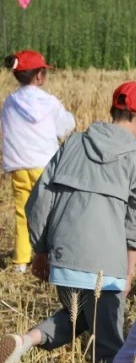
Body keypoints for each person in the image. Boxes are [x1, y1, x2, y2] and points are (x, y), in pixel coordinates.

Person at [0, 82, 136, 363]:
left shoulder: (72, 144)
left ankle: (25, 341)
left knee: (80, 317)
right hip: (106, 267)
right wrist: (127, 275)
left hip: (64, 258)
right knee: (109, 346)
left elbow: (39, 200)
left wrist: (42, 250)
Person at [2, 50, 75, 273]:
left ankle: (21, 261)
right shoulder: (49, 102)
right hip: (45, 165)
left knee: (22, 213)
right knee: (51, 212)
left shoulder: (10, 102)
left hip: (18, 166)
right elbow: (67, 126)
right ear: (40, 75)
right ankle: (53, 256)